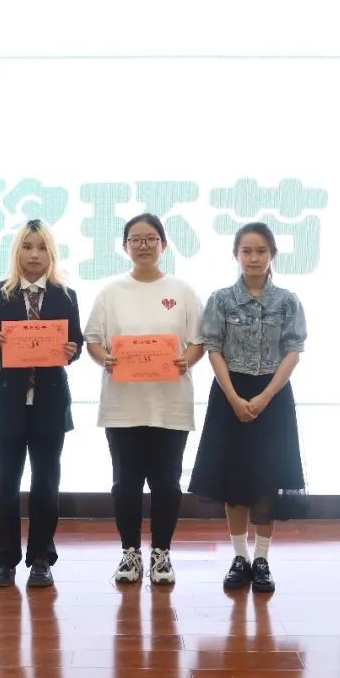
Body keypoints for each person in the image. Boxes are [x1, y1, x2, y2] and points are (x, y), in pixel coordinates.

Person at [83, 213, 204, 585]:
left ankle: (162, 555)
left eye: (151, 238)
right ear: (125, 247)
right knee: (126, 484)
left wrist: (187, 360)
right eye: (136, 239)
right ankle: (130, 553)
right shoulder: (111, 292)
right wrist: (105, 359)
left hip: (170, 404)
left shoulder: (182, 291)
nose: (144, 245)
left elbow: (199, 341)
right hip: (123, 406)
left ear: (163, 244)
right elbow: (93, 340)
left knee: (167, 484)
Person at [189, 221, 308, 593]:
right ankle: (239, 558)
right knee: (234, 479)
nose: (254, 258)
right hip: (230, 393)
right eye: (246, 251)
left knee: (267, 479)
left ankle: (262, 560)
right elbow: (213, 349)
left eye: (261, 251)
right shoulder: (221, 299)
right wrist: (233, 397)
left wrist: (265, 396)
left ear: (272, 254)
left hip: (273, 395)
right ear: (236, 255)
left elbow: (293, 352)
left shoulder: (287, 301)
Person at [0, 219, 83, 588]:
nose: (34, 254)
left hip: (48, 402)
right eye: (27, 246)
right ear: (16, 251)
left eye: (41, 247)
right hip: (6, 402)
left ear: (52, 253)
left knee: (46, 483)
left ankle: (41, 559)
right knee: (5, 483)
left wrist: (71, 349)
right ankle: (3, 561)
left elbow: (76, 344)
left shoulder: (65, 295)